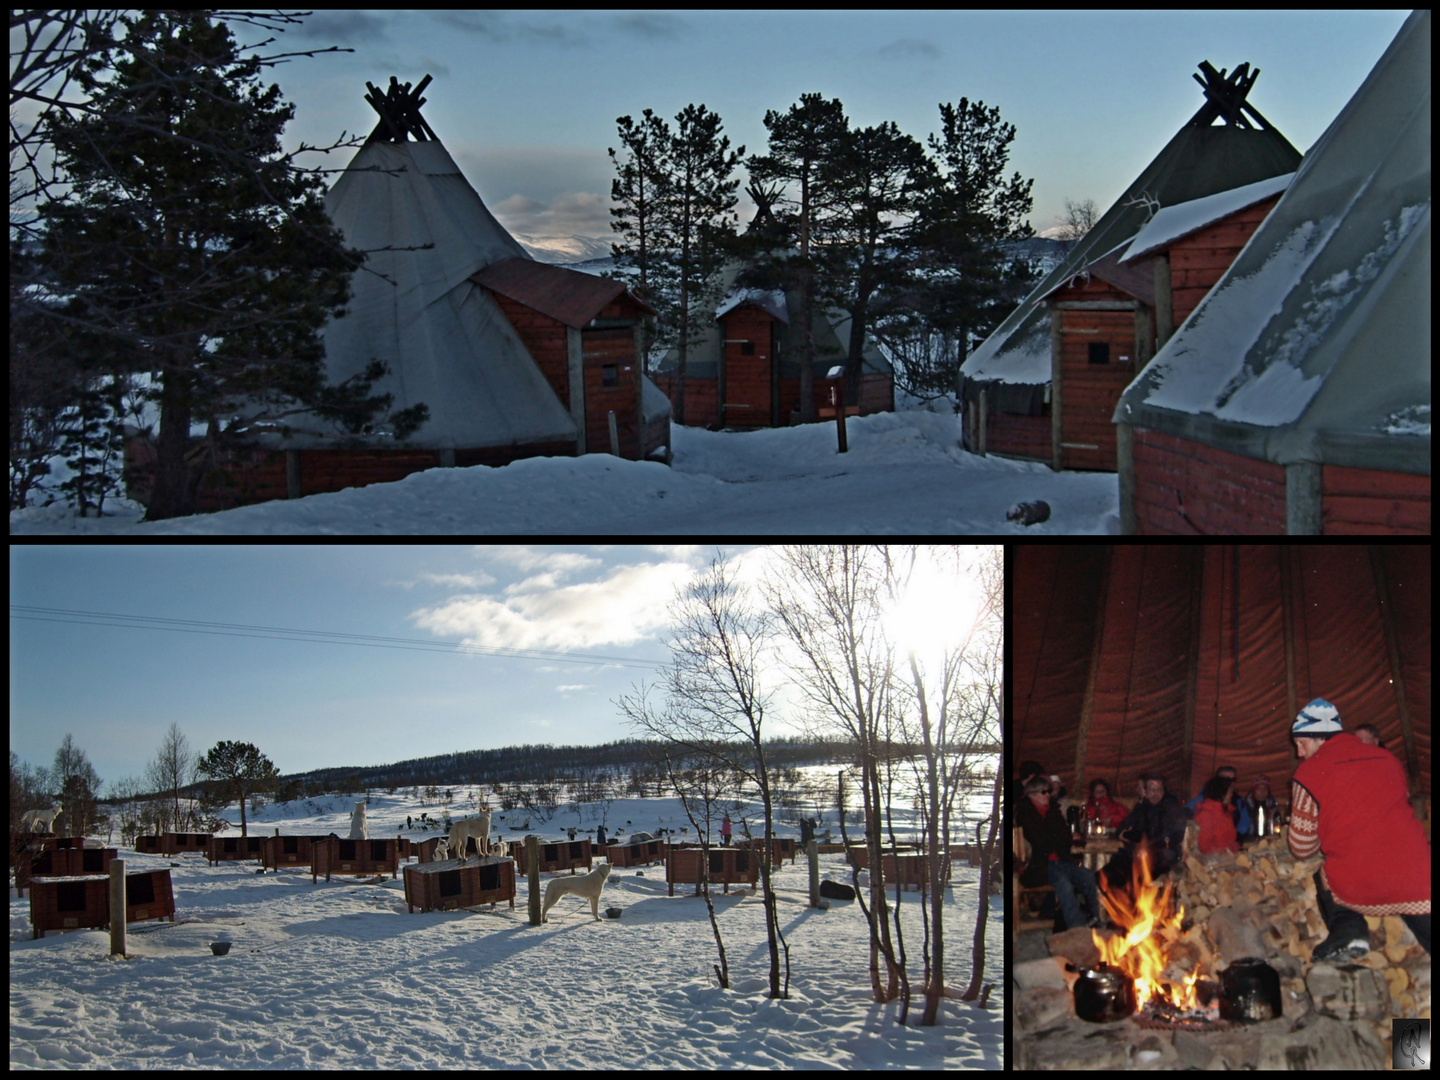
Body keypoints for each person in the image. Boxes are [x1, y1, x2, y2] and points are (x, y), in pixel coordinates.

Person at [1288, 698, 1430, 959]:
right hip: (1419, 874)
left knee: (1326, 874)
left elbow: (1300, 847)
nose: (1299, 752)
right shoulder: (1389, 759)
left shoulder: (1308, 772)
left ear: (1317, 737)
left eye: (1301, 743)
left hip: (1359, 880)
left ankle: (1350, 932)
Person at [1015, 775, 1103, 931]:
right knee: (1064, 884)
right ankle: (1077, 928)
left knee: (1088, 876)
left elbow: (1062, 833)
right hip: (1038, 864)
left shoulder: (1052, 810)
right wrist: (1061, 839)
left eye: (1049, 791)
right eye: (1044, 792)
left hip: (1060, 859)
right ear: (1033, 794)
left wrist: (1063, 839)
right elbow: (1038, 840)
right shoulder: (1024, 812)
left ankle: (1097, 921)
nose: (1048, 794)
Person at [1104, 774, 1188, 889]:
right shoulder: (1142, 807)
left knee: (1136, 877)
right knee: (1106, 874)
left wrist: (1146, 846)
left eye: (1159, 790)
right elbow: (1125, 824)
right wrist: (1122, 833)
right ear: (1145, 791)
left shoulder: (1171, 808)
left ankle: (1138, 902)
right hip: (1137, 853)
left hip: (1162, 855)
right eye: (1152, 790)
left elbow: (1172, 835)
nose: (1155, 793)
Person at [1193, 777, 1239, 854]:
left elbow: (1230, 840)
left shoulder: (1226, 812)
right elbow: (1204, 847)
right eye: (1230, 791)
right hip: (1213, 861)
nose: (1232, 794)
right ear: (1221, 793)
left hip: (1227, 858)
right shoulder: (1206, 814)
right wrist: (1224, 852)